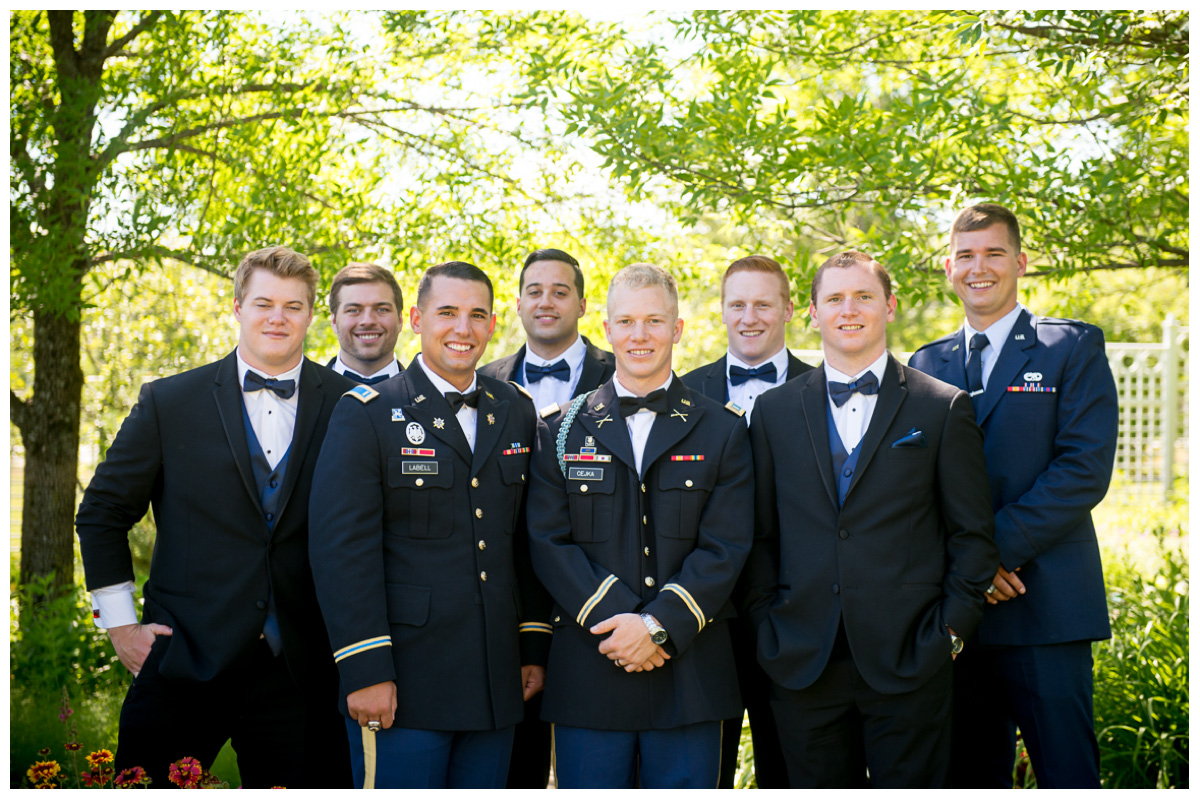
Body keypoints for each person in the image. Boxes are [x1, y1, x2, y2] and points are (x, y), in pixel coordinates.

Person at [75, 246, 354, 788]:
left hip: (302, 670)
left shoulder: (351, 404)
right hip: (184, 659)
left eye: (293, 306)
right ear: (237, 307)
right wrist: (120, 625)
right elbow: (102, 512)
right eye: (264, 303)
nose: (278, 317)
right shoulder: (170, 402)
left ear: (311, 315)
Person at [741, 250, 997, 788]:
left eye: (863, 296)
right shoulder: (773, 411)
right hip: (802, 658)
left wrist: (950, 632)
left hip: (911, 655)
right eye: (834, 298)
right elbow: (759, 535)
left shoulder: (941, 407)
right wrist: (767, 626)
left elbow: (971, 535)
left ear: (891, 306)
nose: (848, 309)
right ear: (811, 311)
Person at [308, 261, 549, 789]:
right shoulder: (368, 413)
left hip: (494, 679)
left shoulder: (515, 409)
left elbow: (527, 542)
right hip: (404, 682)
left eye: (476, 315)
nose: (462, 329)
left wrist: (532, 645)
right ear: (417, 319)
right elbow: (341, 552)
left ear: (492, 324)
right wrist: (366, 668)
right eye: (447, 313)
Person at [909, 203, 1119, 788]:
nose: (980, 268)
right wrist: (968, 570)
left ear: (1020, 262)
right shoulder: (926, 363)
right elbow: (915, 488)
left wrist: (989, 553)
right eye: (967, 256)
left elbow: (1083, 469)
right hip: (958, 617)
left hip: (1047, 604)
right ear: (949, 268)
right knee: (969, 776)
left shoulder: (1069, 347)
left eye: (995, 254)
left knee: (1067, 774)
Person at [526, 263, 753, 789]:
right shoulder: (561, 428)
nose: (640, 335)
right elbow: (548, 541)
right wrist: (623, 625)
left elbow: (727, 546)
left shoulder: (722, 428)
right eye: (626, 321)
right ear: (606, 329)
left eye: (654, 321)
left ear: (677, 330)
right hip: (592, 670)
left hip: (689, 675)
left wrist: (654, 627)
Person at [478, 246, 615, 787]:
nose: (546, 301)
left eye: (560, 291)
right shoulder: (484, 379)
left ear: (582, 303)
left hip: (601, 588)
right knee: (517, 759)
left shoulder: (623, 369)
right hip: (511, 595)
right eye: (534, 291)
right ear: (517, 304)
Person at [681, 254, 813, 788]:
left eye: (763, 304)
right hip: (705, 614)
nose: (749, 317)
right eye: (737, 304)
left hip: (799, 611)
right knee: (702, 771)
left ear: (789, 311)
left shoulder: (827, 386)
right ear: (721, 311)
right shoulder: (684, 392)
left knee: (793, 769)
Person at [326, 262, 405, 384]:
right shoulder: (301, 393)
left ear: (400, 320)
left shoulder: (432, 396)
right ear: (334, 321)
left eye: (382, 309)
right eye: (353, 310)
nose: (368, 321)